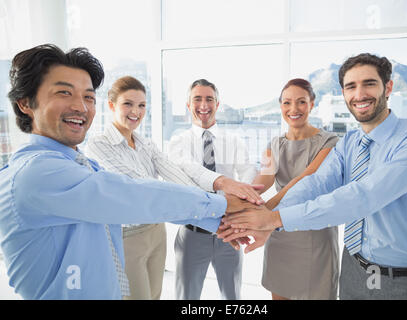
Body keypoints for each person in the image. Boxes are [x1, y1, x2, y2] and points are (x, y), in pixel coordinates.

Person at [0, 44, 256, 300]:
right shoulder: (36, 173)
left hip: (154, 230)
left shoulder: (80, 161)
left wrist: (220, 218)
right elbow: (133, 192)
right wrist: (221, 204)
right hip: (134, 230)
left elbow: (169, 177)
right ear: (25, 103)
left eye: (88, 97)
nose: (80, 106)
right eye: (64, 93)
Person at [220, 53, 407, 300]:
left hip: (403, 280)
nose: (359, 94)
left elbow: (363, 196)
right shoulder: (348, 142)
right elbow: (315, 183)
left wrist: (271, 218)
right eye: (351, 86)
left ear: (388, 87)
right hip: (353, 268)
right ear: (343, 94)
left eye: (369, 83)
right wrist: (253, 210)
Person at [85, 76, 261, 300]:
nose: (135, 111)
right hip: (127, 235)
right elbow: (143, 187)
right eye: (127, 104)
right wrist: (220, 192)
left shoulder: (146, 144)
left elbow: (177, 177)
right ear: (111, 105)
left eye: (141, 105)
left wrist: (218, 217)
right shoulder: (98, 144)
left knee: (156, 295)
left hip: (157, 231)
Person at [168, 79, 259, 300]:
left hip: (229, 232)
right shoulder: (178, 142)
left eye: (209, 99)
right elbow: (187, 174)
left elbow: (248, 170)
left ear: (218, 104)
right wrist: (224, 186)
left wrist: (235, 197)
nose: (203, 104)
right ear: (188, 105)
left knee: (232, 297)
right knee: (186, 297)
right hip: (193, 232)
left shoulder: (234, 141)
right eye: (197, 99)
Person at [251, 78, 339, 300]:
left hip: (314, 232)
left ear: (312, 104)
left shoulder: (329, 142)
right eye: (287, 103)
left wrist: (266, 210)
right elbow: (265, 178)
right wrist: (242, 197)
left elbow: (306, 179)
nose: (293, 109)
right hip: (280, 235)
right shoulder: (274, 145)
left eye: (301, 102)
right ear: (280, 106)